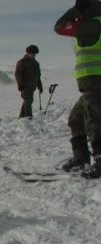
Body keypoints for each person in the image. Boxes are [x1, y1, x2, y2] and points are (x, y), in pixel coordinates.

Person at [55, 0, 101, 178]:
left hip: (95, 82)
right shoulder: (92, 24)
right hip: (91, 84)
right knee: (76, 118)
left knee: (94, 122)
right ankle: (81, 157)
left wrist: (75, 10)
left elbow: (59, 27)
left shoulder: (91, 25)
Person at [15, 45, 43, 119]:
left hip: (32, 86)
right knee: (28, 101)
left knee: (28, 101)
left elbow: (37, 76)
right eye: (32, 54)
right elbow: (18, 74)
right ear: (28, 53)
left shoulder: (36, 64)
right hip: (25, 86)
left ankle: (21, 117)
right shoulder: (22, 62)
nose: (33, 55)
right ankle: (29, 117)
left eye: (34, 54)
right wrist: (20, 84)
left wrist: (39, 86)